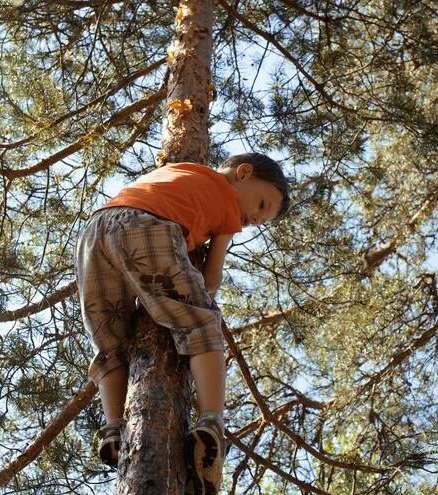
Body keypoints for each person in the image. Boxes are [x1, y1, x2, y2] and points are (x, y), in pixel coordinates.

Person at [74, 152, 289, 494]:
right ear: (243, 173)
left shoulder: (181, 170)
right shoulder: (228, 207)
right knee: (202, 323)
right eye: (261, 205)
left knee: (110, 341)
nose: (253, 219)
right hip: (146, 226)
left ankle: (114, 427)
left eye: (261, 220)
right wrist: (201, 281)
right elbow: (211, 279)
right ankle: (212, 422)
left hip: (95, 231)